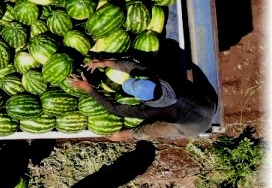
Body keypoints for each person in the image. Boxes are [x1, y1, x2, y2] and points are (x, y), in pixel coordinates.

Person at [66, 58, 217, 141]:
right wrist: (104, 63)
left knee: (150, 129)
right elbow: (132, 66)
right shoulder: (160, 76)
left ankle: (122, 136)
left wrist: (88, 89)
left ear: (141, 100)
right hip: (208, 102)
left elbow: (113, 108)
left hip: (194, 126)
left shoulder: (151, 110)